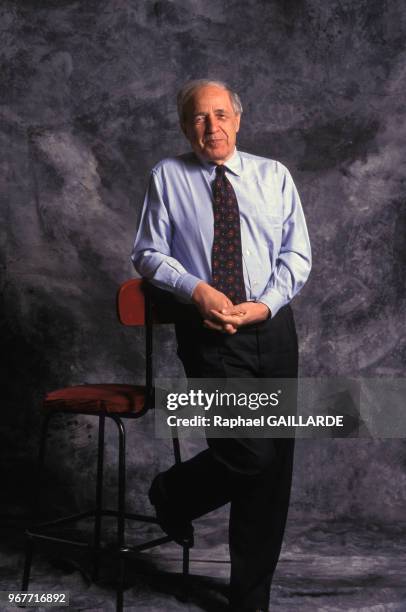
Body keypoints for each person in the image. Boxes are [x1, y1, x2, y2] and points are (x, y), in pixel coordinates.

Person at [131, 79, 311, 612]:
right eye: (199, 118)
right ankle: (173, 493)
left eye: (220, 114)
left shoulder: (273, 175)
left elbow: (296, 255)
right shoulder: (168, 176)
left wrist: (268, 303)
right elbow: (146, 253)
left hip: (272, 331)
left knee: (273, 466)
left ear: (238, 117)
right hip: (209, 333)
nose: (212, 127)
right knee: (247, 450)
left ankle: (249, 599)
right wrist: (196, 289)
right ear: (186, 127)